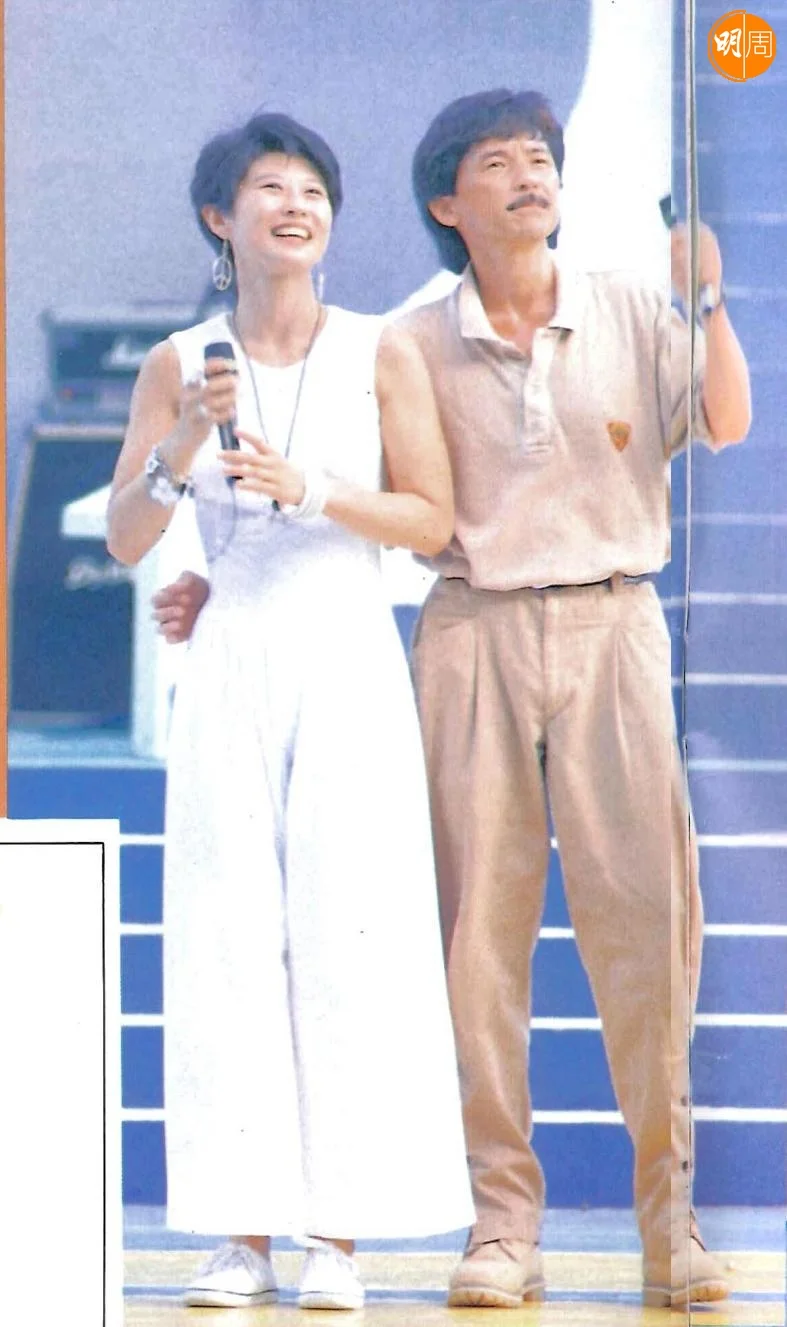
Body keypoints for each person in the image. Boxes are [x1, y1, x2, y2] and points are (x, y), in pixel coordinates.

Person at [154, 90, 752, 1310]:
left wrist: (705, 300)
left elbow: (725, 420)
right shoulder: (407, 341)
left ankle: (670, 1222)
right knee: (474, 943)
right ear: (446, 201)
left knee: (649, 929)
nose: (529, 174)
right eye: (497, 161)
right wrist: (219, 573)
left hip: (613, 622)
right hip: (469, 626)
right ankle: (502, 1227)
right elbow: (347, 497)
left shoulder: (627, 305)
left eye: (541, 157)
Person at [107, 110, 474, 1312]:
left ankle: (340, 1240)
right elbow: (127, 535)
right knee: (224, 934)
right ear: (221, 217)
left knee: (347, 931)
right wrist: (186, 437)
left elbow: (429, 518)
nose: (295, 204)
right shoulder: (179, 361)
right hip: (229, 653)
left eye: (313, 188)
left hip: (347, 649)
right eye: (269, 187)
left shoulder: (381, 350)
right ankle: (240, 1236)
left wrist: (312, 487)